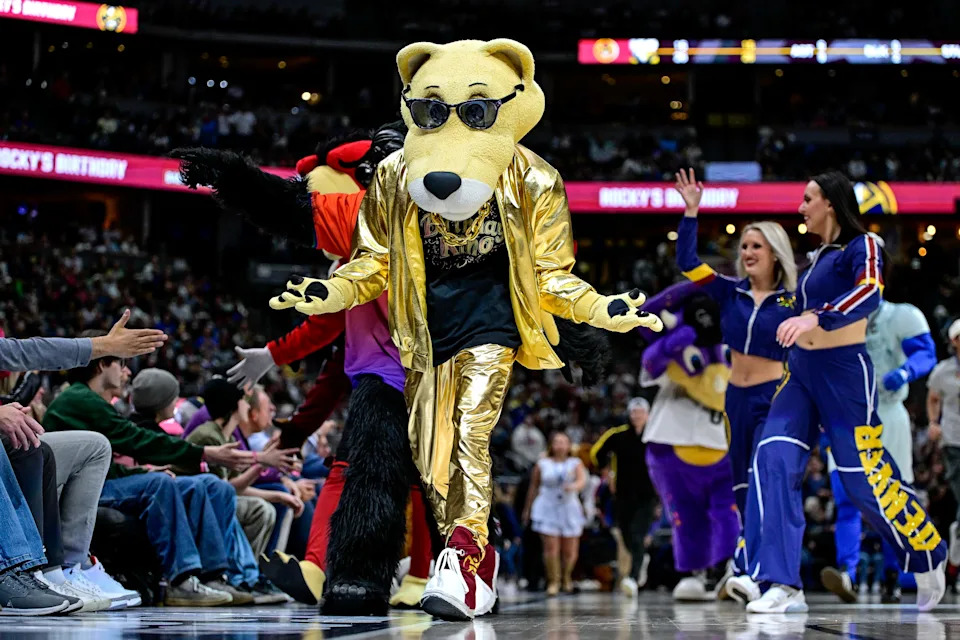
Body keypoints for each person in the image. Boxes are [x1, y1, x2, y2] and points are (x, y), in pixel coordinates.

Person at [746, 171, 946, 614]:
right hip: (799, 373)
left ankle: (927, 551)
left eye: (808, 199)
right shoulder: (813, 259)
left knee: (862, 481)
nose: (801, 208)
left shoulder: (865, 246)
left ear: (831, 204)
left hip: (844, 373)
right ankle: (783, 583)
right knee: (774, 459)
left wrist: (817, 315)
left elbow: (870, 293)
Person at [42, 341, 258, 606]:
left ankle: (214, 575)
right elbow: (136, 440)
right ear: (102, 364)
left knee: (209, 484)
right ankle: (181, 581)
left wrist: (140, 470)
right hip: (76, 493)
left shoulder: (86, 400)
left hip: (100, 483)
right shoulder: (79, 398)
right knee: (159, 484)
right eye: (121, 363)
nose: (127, 372)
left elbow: (104, 465)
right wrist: (204, 453)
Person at [672, 168, 799, 604]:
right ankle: (757, 573)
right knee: (743, 487)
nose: (747, 252)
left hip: (776, 399)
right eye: (744, 246)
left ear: (775, 254)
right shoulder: (729, 293)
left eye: (756, 246)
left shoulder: (793, 302)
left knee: (766, 478)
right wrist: (691, 211)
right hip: (736, 400)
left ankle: (754, 568)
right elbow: (687, 262)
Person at [822, 298, 937, 604]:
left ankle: (892, 573)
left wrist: (905, 371)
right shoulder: (831, 316)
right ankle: (848, 573)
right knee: (845, 499)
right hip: (846, 417)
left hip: (887, 413)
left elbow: (926, 352)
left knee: (893, 500)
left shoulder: (901, 315)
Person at [590, 397, 656, 597]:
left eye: (641, 412)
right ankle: (640, 560)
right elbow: (596, 454)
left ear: (648, 414)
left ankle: (633, 578)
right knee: (626, 535)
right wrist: (607, 471)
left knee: (637, 534)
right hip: (623, 494)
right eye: (634, 412)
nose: (637, 416)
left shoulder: (655, 436)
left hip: (647, 494)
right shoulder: (617, 435)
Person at [522, 432, 587, 595]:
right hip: (547, 505)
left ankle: (566, 577)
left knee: (569, 549)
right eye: (557, 442)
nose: (560, 445)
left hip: (568, 505)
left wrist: (573, 487)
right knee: (551, 547)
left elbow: (581, 481)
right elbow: (534, 486)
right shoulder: (543, 463)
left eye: (564, 442)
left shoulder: (575, 462)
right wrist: (527, 508)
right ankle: (553, 581)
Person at [927, 319, 960, 568]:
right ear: (954, 341)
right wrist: (933, 422)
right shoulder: (943, 371)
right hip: (954, 441)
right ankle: (956, 561)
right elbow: (933, 398)